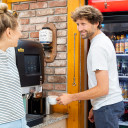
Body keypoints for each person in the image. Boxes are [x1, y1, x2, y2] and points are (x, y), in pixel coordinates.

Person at [56, 5, 124, 128]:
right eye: (78, 24)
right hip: (107, 105)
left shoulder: (98, 46)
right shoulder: (102, 40)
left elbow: (103, 89)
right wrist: (95, 106)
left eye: (83, 24)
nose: (79, 28)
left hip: (106, 107)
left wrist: (71, 97)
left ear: (96, 23)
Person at [0, 3, 29, 128]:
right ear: (9, 33)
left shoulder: (9, 50)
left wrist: (5, 13)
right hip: (5, 123)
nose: (21, 34)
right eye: (19, 30)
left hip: (21, 120)